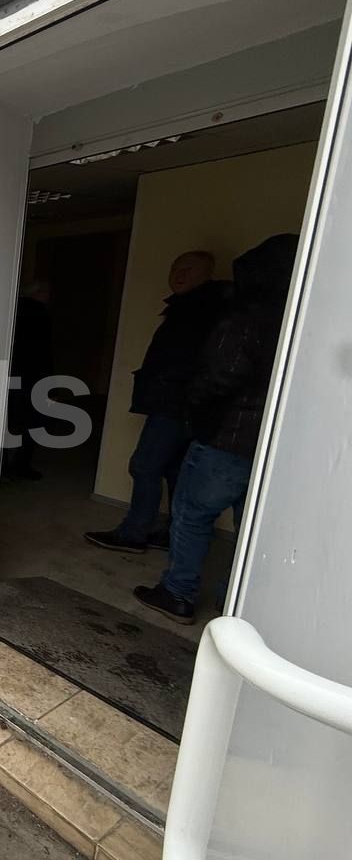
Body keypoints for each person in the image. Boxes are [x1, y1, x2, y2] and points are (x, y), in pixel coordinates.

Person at [134, 234, 299, 624]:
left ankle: (177, 592)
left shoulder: (245, 319)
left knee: (192, 513)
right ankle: (234, 603)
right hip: (272, 444)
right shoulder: (299, 319)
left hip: (227, 436)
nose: (178, 274)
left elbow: (217, 377)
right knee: (249, 526)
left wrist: (195, 411)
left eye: (187, 269)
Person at [85, 250, 228, 552]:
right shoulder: (196, 307)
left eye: (188, 268)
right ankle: (173, 533)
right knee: (175, 469)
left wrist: (170, 392)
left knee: (144, 465)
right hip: (185, 405)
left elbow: (187, 364)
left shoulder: (199, 311)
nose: (179, 274)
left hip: (175, 405)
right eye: (175, 268)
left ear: (206, 273)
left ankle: (134, 533)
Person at [5, 281, 53, 480]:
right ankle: (21, 466)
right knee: (33, 424)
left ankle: (2, 466)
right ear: (39, 293)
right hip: (33, 377)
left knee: (8, 421)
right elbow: (44, 352)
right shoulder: (40, 316)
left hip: (10, 374)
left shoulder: (12, 310)